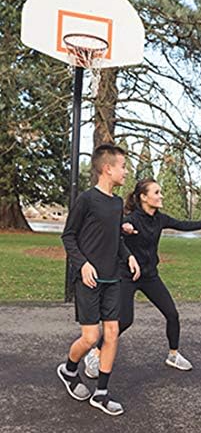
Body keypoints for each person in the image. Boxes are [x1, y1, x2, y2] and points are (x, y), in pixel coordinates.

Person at [83, 178, 201, 377]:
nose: (161, 196)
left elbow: (185, 225)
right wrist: (122, 227)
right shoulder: (131, 218)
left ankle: (173, 355)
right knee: (124, 320)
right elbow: (114, 228)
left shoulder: (160, 219)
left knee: (172, 314)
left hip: (150, 276)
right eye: (157, 192)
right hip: (127, 276)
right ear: (144, 197)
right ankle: (95, 353)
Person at [58, 144, 140, 416]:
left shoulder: (117, 203)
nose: (126, 172)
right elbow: (68, 236)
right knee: (91, 337)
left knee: (113, 333)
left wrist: (128, 255)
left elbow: (114, 237)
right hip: (89, 280)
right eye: (123, 166)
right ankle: (69, 369)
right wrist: (82, 265)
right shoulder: (87, 200)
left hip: (112, 278)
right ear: (108, 168)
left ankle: (101, 393)